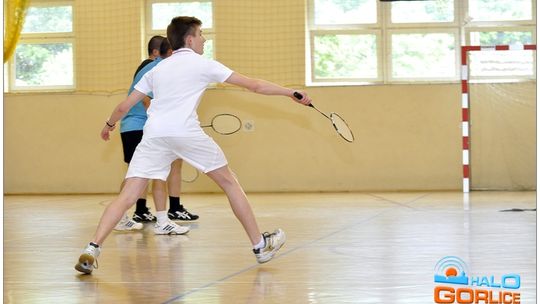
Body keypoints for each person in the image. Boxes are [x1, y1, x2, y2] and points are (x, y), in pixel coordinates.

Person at [74, 16, 311, 275]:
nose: (204, 39)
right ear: (189, 39)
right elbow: (254, 85)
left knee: (128, 195)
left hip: (153, 135)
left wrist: (108, 126)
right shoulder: (203, 65)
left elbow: (124, 106)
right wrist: (290, 93)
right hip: (186, 133)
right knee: (229, 182)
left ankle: (92, 248)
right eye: (201, 35)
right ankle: (260, 245)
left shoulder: (156, 69)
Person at [116, 36, 199, 229]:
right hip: (137, 127)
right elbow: (146, 101)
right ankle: (129, 217)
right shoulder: (156, 68)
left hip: (144, 128)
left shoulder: (159, 67)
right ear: (168, 52)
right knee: (138, 175)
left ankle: (159, 219)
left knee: (154, 173)